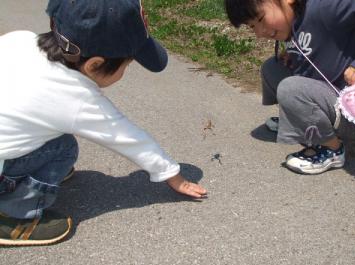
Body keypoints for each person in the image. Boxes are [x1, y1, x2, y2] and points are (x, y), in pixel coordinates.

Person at [0, 0, 207, 246]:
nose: (123, 74)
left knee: (46, 133)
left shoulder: (19, 39)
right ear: (95, 64)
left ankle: (25, 174)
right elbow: (129, 139)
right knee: (64, 148)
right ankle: (14, 217)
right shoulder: (78, 99)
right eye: (125, 66)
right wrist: (173, 176)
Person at [224, 0, 355, 174]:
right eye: (252, 27)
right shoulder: (291, 19)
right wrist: (293, 53)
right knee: (272, 68)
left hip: (350, 112)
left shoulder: (322, 8)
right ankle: (298, 121)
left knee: (290, 89)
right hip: (324, 96)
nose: (260, 32)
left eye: (261, 19)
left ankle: (332, 148)